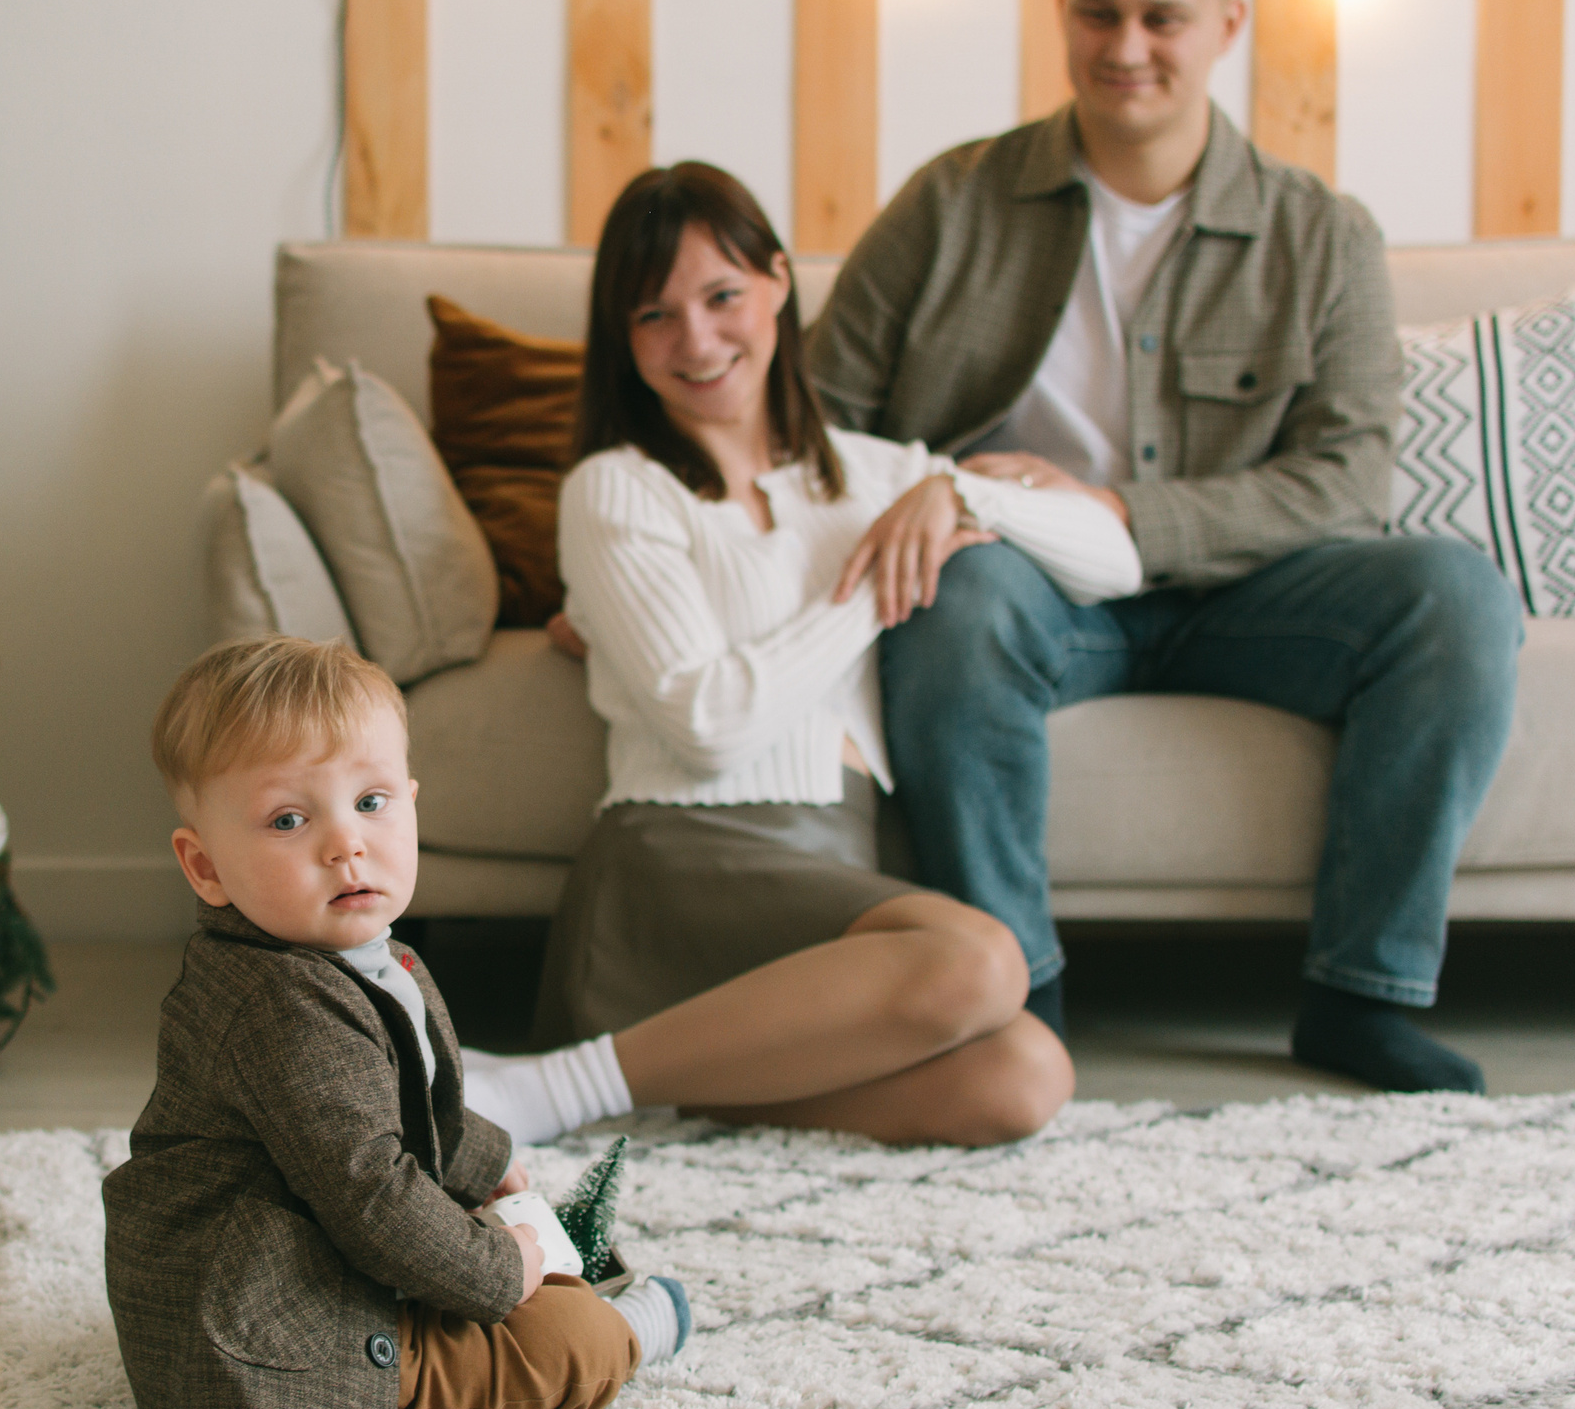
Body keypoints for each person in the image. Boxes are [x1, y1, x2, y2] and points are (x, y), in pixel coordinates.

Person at [806, 0, 1523, 1093]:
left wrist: (1120, 514)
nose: (1124, 47)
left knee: (1457, 596)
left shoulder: (1321, 232)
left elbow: (1349, 479)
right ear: (1060, 9)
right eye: (1097, 12)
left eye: (1161, 17)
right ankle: (1013, 999)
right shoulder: (951, 203)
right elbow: (816, 421)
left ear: (1226, 23)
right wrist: (953, 491)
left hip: (1253, 593)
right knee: (952, 599)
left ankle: (1362, 996)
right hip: (1025, 589)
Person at [480, 159, 1138, 1153]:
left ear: (778, 283)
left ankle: (621, 1088)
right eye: (654, 316)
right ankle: (555, 1088)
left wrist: (961, 498)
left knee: (1025, 1075)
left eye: (721, 296)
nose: (697, 341)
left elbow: (1116, 561)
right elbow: (708, 724)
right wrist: (881, 577)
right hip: (683, 855)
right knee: (982, 960)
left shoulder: (881, 473)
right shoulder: (617, 488)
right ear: (623, 338)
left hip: (833, 863)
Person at [103, 635, 692, 1409]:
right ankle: (627, 1337)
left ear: (412, 804)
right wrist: (502, 1270)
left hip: (308, 1258)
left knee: (519, 1249)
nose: (345, 844)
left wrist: (485, 1161)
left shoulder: (362, 959)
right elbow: (372, 1194)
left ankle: (549, 1286)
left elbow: (403, 1105)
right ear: (206, 866)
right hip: (274, 1352)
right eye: (289, 821)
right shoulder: (278, 1008)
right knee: (568, 1341)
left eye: (371, 802)